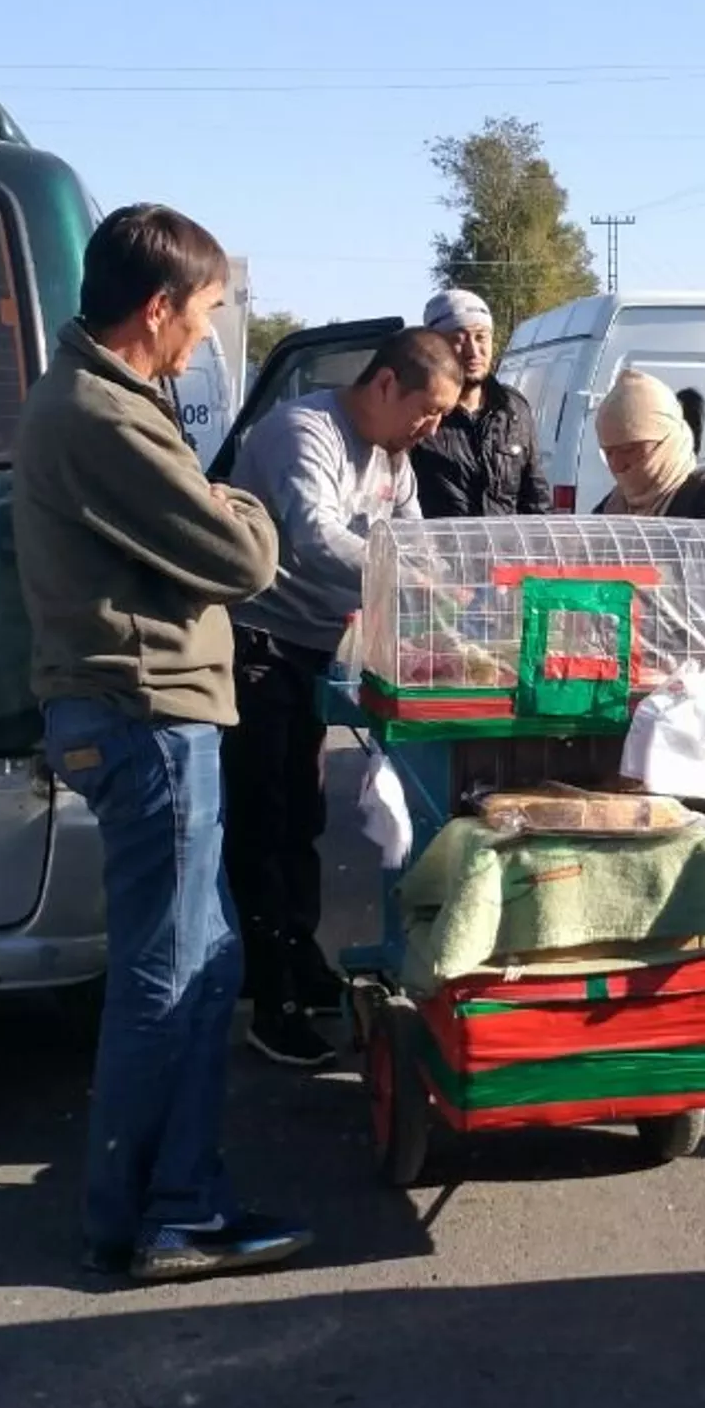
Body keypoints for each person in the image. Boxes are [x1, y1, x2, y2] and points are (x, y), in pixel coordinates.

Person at [12, 204, 311, 1284]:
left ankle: (180, 1198)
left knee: (206, 959)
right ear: (157, 308)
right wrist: (241, 505)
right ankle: (156, 1215)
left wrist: (215, 499)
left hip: (149, 718)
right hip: (146, 717)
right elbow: (243, 556)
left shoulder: (105, 401)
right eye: (206, 311)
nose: (206, 333)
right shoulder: (105, 415)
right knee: (168, 974)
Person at [223, 327, 464, 1066]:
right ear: (386, 384)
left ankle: (301, 960)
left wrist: (442, 592)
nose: (432, 429)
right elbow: (316, 536)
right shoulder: (304, 432)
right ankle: (271, 999)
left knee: (305, 814)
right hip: (261, 646)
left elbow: (412, 537)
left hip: (323, 650)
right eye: (428, 411)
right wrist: (407, 576)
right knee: (265, 820)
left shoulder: (394, 455)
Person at [593, 369, 705, 569]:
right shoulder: (613, 506)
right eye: (609, 453)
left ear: (667, 441)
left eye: (629, 450)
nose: (617, 465)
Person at [409, 289, 552, 518]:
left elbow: (536, 501)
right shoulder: (418, 413)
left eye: (481, 337)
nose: (473, 351)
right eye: (458, 339)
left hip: (507, 542)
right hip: (439, 542)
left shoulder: (513, 409)